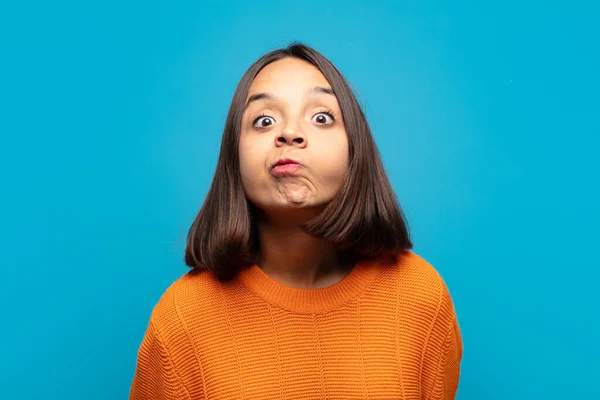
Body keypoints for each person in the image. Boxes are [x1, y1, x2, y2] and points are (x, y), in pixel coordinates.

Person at [129, 42, 462, 400]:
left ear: (356, 151)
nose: (288, 133)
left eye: (321, 117)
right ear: (234, 158)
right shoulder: (183, 317)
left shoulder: (420, 296)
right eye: (264, 120)